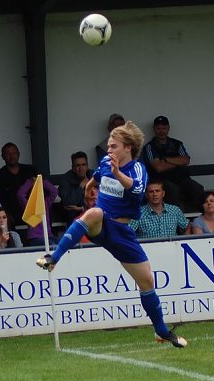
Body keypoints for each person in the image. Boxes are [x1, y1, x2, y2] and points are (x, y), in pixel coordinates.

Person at [36, 120, 187, 348]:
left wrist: (117, 173)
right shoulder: (106, 162)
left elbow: (135, 189)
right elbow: (94, 179)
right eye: (108, 146)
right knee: (95, 212)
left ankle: (161, 331)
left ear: (127, 147)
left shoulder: (137, 169)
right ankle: (52, 258)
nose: (108, 150)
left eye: (113, 146)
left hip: (122, 233)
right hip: (102, 223)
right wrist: (88, 190)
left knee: (147, 281)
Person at [139, 115, 204, 211]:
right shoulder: (149, 147)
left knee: (197, 188)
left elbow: (186, 160)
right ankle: (176, 221)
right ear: (154, 129)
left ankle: (199, 218)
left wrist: (166, 159)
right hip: (162, 180)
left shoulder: (177, 144)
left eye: (164, 128)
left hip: (182, 179)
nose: (161, 131)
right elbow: (158, 167)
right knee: (173, 190)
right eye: (158, 128)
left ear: (168, 128)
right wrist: (178, 162)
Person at [0, 142, 39, 221]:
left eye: (14, 153)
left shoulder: (30, 170)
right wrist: (6, 213)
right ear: (3, 156)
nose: (12, 156)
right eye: (8, 154)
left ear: (18, 154)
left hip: (32, 210)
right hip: (11, 213)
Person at [17, 177, 58, 247]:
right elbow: (20, 195)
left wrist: (41, 181)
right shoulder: (29, 205)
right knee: (52, 246)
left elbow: (54, 191)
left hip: (48, 235)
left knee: (62, 244)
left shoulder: (45, 203)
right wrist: (30, 182)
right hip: (35, 237)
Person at [57, 151, 91, 223]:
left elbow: (99, 200)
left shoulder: (93, 176)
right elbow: (69, 203)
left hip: (88, 212)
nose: (81, 168)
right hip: (72, 215)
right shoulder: (65, 179)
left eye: (83, 165)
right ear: (73, 168)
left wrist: (81, 208)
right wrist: (81, 186)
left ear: (87, 166)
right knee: (71, 212)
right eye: (78, 165)